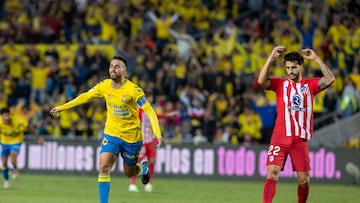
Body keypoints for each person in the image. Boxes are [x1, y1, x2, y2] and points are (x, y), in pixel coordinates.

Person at [49, 55, 162, 203]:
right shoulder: (104, 85)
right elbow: (85, 97)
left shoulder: (134, 90)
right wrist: (62, 107)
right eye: (111, 66)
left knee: (129, 172)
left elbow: (150, 111)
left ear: (125, 71)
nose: (113, 69)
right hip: (112, 133)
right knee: (103, 167)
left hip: (132, 137)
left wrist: (157, 134)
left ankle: (144, 170)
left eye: (117, 66)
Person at [257, 46, 335, 203]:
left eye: (294, 67)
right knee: (272, 173)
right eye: (287, 68)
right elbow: (261, 81)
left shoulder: (310, 86)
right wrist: (272, 58)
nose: (290, 71)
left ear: (301, 66)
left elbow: (330, 79)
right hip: (279, 137)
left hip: (299, 140)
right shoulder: (280, 84)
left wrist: (317, 59)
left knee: (304, 180)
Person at [0, 107, 44, 188]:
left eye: (8, 116)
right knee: (4, 163)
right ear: (1, 116)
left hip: (16, 140)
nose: (7, 118)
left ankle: (15, 169)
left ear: (10, 115)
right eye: (5, 116)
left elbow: (29, 127)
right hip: (4, 142)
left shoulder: (17, 121)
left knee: (13, 159)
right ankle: (6, 181)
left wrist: (38, 138)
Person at [128, 107, 158, 193]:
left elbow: (156, 117)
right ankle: (132, 184)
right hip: (142, 141)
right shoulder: (139, 111)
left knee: (152, 161)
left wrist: (167, 115)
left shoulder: (151, 110)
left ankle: (149, 184)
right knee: (137, 162)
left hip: (150, 141)